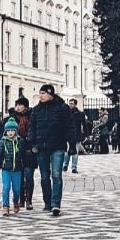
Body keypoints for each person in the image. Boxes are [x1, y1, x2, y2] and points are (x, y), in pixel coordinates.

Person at [28, 84, 77, 217]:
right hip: (41, 147)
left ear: (50, 94)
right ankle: (47, 203)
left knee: (56, 175)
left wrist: (72, 144)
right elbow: (32, 127)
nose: (41, 96)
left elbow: (69, 126)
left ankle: (56, 204)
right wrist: (32, 143)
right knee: (44, 177)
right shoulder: (36, 110)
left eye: (43, 93)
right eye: (40, 93)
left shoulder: (61, 108)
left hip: (57, 146)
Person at [0, 119, 25, 217]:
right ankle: (5, 206)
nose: (10, 132)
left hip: (17, 169)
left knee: (17, 189)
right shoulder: (2, 142)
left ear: (16, 131)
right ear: (5, 131)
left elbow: (23, 155)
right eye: (8, 131)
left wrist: (25, 164)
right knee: (6, 188)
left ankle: (15, 202)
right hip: (6, 169)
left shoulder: (20, 141)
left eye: (12, 130)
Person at [65, 99, 87, 174]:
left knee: (75, 152)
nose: (70, 105)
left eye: (72, 104)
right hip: (67, 135)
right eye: (69, 103)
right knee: (67, 151)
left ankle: (74, 167)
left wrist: (86, 135)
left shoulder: (80, 114)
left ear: (75, 104)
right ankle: (65, 165)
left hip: (77, 134)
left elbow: (84, 124)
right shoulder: (66, 113)